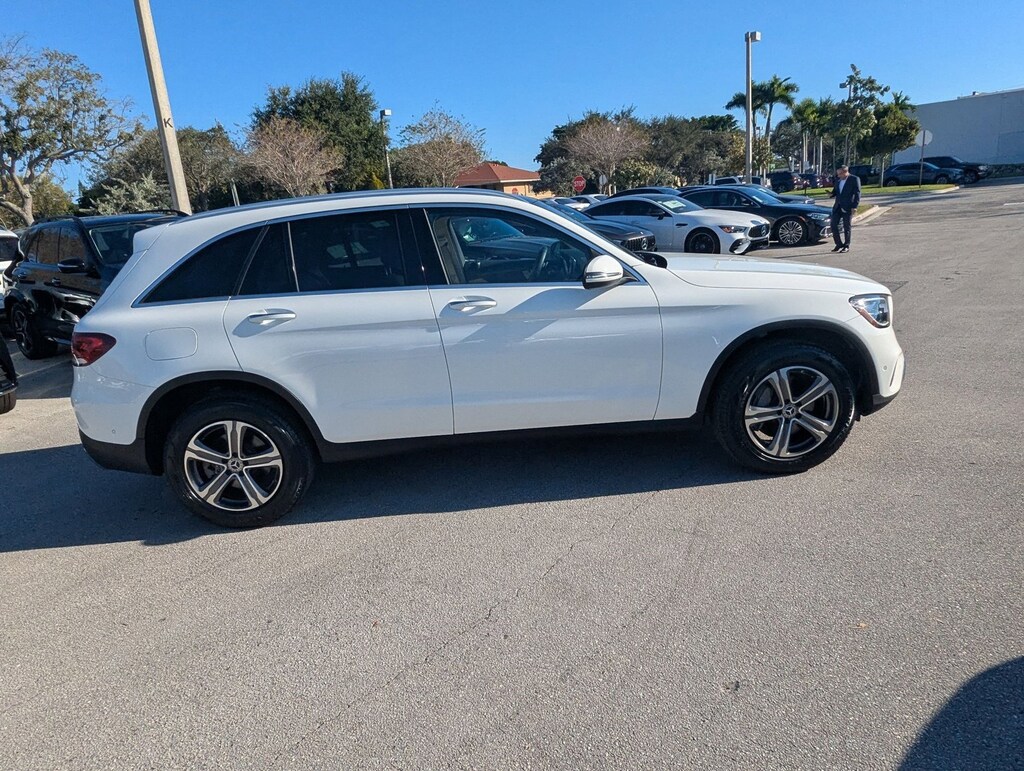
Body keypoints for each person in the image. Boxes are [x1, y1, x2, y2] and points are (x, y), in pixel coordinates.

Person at [829, 165, 861, 253]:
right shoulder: (838, 180)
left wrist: (854, 206)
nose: (838, 176)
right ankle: (838, 244)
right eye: (837, 174)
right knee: (833, 225)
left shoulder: (854, 179)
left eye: (840, 174)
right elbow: (835, 192)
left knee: (847, 226)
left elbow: (857, 193)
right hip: (837, 206)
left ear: (845, 172)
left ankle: (846, 245)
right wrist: (831, 194)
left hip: (848, 206)